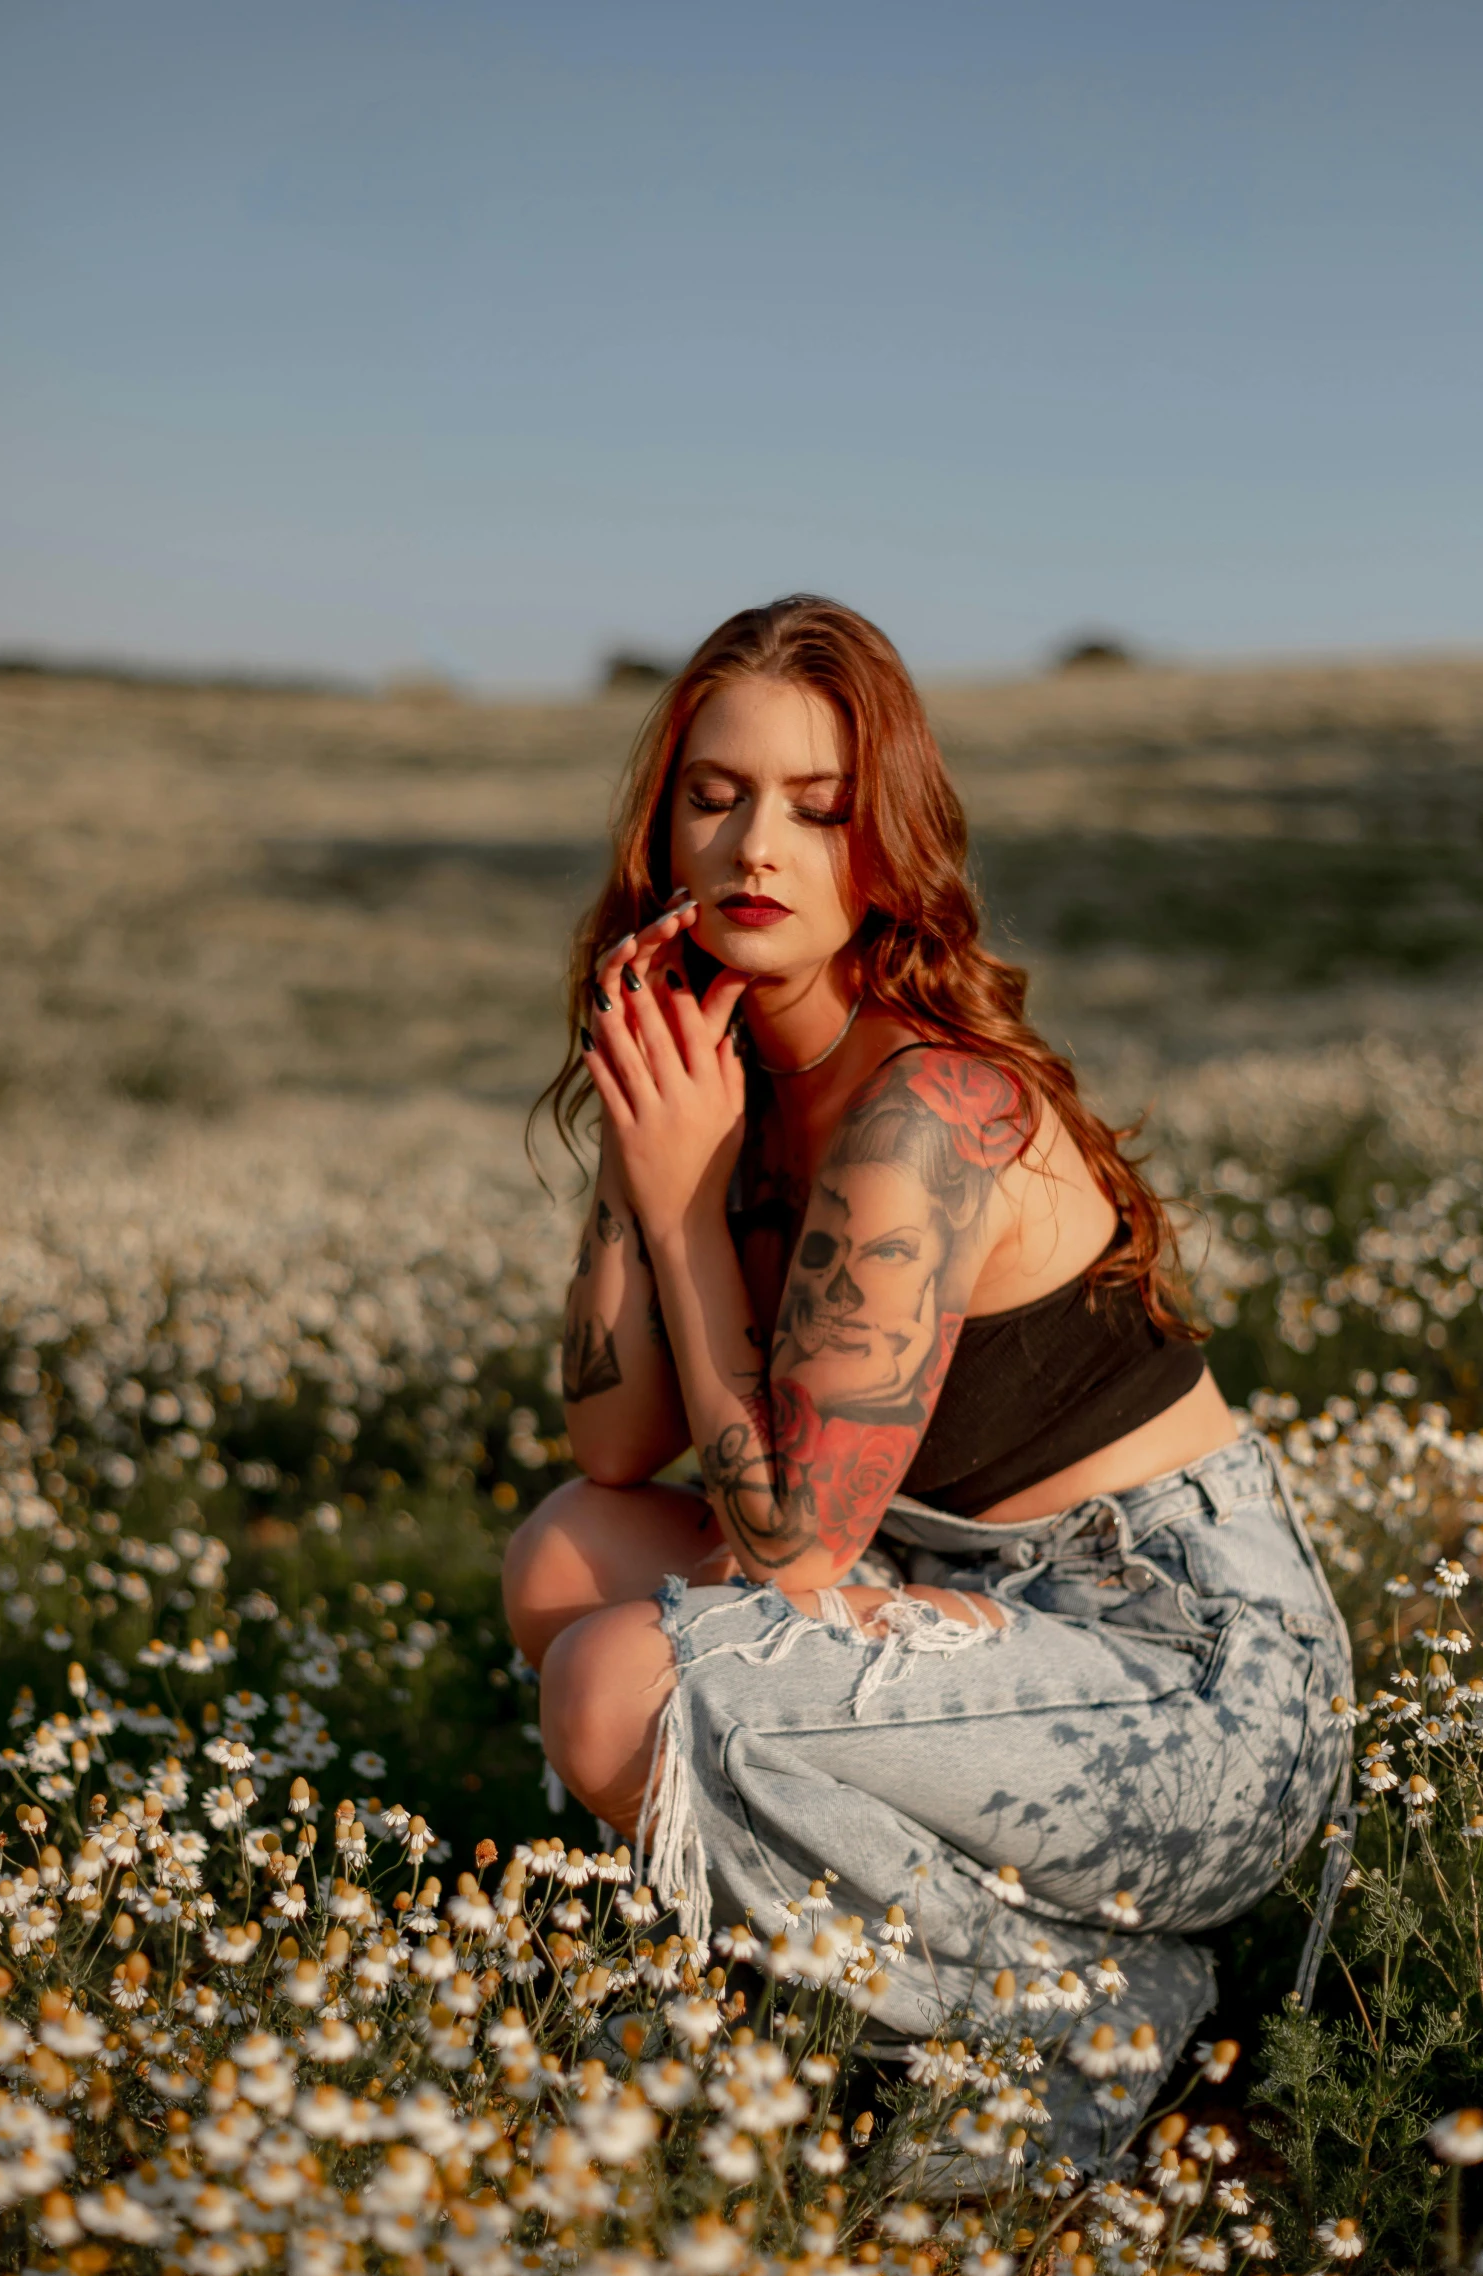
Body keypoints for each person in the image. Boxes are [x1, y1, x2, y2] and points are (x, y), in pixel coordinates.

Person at [503, 594, 1352, 2168]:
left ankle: (1101, 2011)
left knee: (617, 1681)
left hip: (1183, 1692)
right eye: (716, 794)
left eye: (817, 810)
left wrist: (690, 1212)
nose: (758, 844)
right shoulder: (720, 1077)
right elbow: (615, 1450)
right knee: (569, 1556)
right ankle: (859, 1990)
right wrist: (646, 1153)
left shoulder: (929, 1110)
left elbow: (797, 1549)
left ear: (881, 845)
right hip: (975, 1608)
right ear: (664, 828)